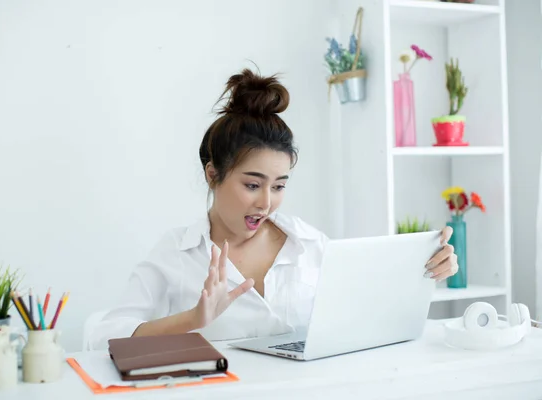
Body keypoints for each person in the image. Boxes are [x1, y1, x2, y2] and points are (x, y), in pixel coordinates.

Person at [88, 68, 458, 350]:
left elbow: (367, 313)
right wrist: (192, 320)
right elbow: (103, 336)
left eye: (279, 186)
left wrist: (423, 271)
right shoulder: (177, 253)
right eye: (252, 185)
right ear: (213, 174)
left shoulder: (309, 244)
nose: (266, 202)